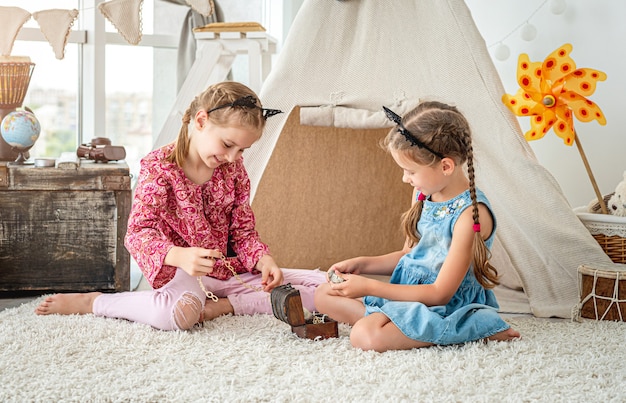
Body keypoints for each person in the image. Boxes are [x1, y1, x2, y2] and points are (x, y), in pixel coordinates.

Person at [36, 81, 326, 330]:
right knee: (176, 314)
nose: (233, 157)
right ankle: (96, 302)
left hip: (230, 271)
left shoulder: (234, 169)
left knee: (324, 287)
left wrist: (263, 261)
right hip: (184, 276)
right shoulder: (159, 169)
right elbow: (138, 234)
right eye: (228, 145)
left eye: (242, 150)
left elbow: (243, 231)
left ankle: (226, 305)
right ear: (201, 121)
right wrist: (179, 256)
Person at [314, 100, 520, 352]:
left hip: (443, 303)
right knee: (323, 294)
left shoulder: (470, 216)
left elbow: (440, 293)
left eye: (410, 171)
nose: (405, 179)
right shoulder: (424, 194)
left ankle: (477, 326)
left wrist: (369, 286)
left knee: (364, 336)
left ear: (446, 166)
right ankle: (395, 324)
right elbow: (408, 255)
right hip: (408, 292)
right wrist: (362, 264)